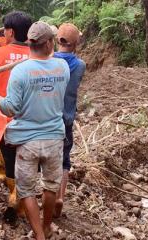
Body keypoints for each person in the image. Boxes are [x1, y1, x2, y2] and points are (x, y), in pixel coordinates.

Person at [0, 21, 70, 239]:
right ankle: (46, 226)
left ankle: (38, 234)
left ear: (30, 43)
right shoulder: (62, 67)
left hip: (27, 141)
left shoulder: (20, 72)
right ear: (48, 44)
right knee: (50, 186)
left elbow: (10, 108)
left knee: (26, 190)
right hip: (54, 137)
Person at [0, 10, 32, 223]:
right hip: (31, 121)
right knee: (26, 162)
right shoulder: (36, 55)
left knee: (10, 161)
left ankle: (16, 199)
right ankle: (20, 196)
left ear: (10, 32)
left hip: (4, 120)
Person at [53, 23, 86, 218]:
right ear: (76, 43)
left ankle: (47, 194)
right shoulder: (80, 66)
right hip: (66, 119)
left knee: (48, 159)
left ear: (58, 40)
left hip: (48, 118)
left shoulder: (49, 62)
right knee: (64, 160)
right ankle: (60, 196)